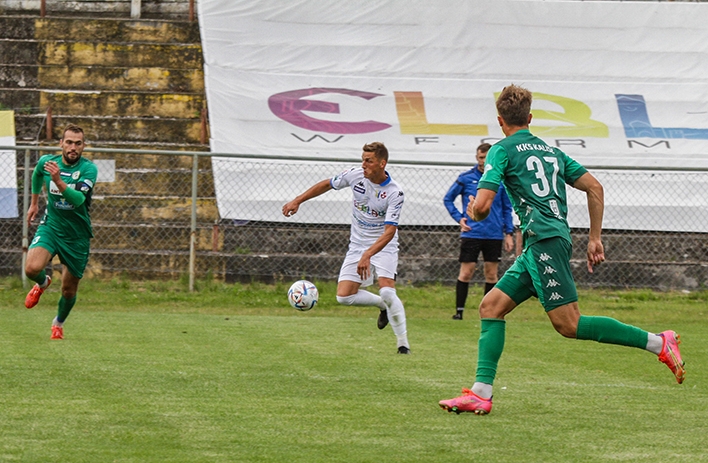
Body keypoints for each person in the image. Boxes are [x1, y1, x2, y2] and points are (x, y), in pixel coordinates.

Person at [439, 85, 685, 415]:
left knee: (569, 325)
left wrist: (474, 210)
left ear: (500, 121)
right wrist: (594, 237)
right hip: (546, 240)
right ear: (530, 117)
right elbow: (594, 186)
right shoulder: (550, 152)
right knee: (491, 306)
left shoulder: (501, 150)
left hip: (544, 241)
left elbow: (482, 206)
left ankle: (658, 342)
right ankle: (481, 393)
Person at [282, 142, 410, 354]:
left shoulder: (395, 193)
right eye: (363, 159)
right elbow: (326, 184)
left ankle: (403, 345)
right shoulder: (355, 175)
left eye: (368, 161)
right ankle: (382, 306)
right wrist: (298, 200)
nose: (363, 164)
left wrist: (369, 255)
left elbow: (389, 232)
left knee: (387, 290)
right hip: (358, 245)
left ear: (382, 163)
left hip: (383, 246)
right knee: (344, 296)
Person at [24, 124, 98, 339]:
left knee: (68, 289)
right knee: (31, 268)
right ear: (61, 144)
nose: (73, 147)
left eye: (78, 143)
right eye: (69, 142)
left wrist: (58, 181)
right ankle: (43, 282)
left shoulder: (88, 169)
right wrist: (34, 203)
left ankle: (58, 323)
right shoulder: (48, 162)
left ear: (83, 146)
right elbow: (37, 174)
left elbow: (78, 200)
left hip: (77, 235)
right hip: (52, 226)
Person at [443, 143, 514, 320]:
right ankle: (459, 312)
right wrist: (460, 218)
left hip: (494, 233)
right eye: (481, 157)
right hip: (472, 233)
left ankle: (488, 311)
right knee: (466, 272)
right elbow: (448, 199)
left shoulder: (500, 179)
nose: (483, 161)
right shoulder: (466, 178)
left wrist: (509, 233)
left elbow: (507, 208)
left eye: (487, 157)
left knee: (491, 274)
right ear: (477, 158)